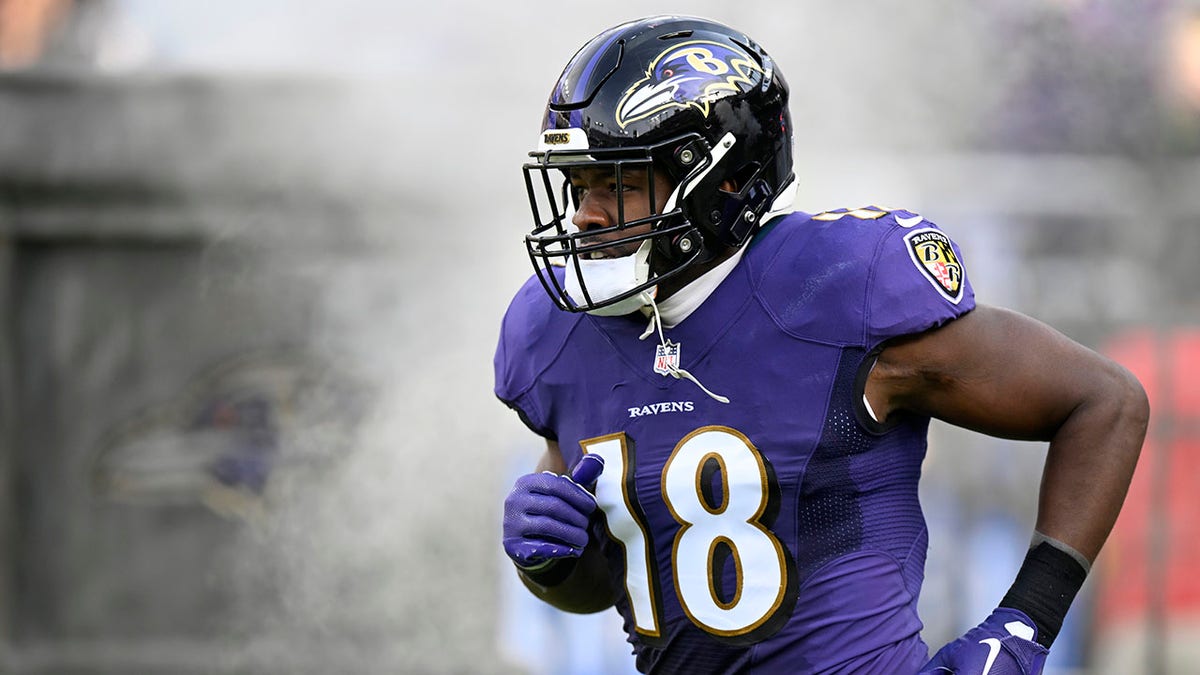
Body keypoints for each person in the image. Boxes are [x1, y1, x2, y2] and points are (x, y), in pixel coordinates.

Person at [494, 15, 1148, 674]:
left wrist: (1024, 621)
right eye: (579, 184)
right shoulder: (557, 333)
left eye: (619, 183)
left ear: (723, 180)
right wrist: (552, 563)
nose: (586, 214)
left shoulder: (833, 288)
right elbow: (612, 583)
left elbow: (1104, 402)